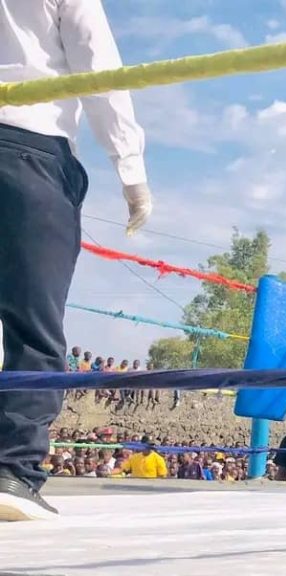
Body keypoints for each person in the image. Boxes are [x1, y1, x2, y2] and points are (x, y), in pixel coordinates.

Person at [0, 1, 152, 522]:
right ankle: (13, 471)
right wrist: (132, 172)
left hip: (28, 146)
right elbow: (98, 63)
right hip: (29, 146)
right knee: (33, 326)